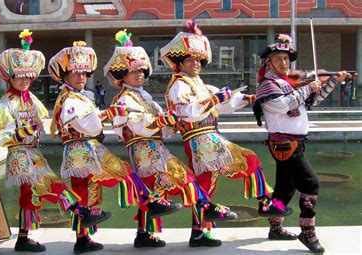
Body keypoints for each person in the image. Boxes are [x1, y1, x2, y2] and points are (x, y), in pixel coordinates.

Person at [104, 29, 237, 248]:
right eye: (132, 71)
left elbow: (162, 128)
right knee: (184, 178)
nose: (139, 75)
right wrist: (163, 121)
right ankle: (205, 207)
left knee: (156, 191)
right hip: (143, 149)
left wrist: (170, 122)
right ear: (123, 76)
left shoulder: (144, 97)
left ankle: (144, 234)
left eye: (142, 71)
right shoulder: (123, 99)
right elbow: (140, 125)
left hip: (155, 147)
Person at [48, 41, 181, 253]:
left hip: (80, 150)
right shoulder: (70, 99)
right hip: (84, 148)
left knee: (86, 191)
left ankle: (82, 240)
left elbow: (91, 123)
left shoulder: (75, 96)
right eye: (76, 73)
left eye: (84, 73)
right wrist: (108, 113)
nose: (81, 77)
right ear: (65, 76)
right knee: (125, 173)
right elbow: (90, 125)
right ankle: (150, 202)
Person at [0, 30, 111, 252]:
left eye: (28, 76)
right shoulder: (5, 105)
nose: (25, 80)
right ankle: (80, 212)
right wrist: (18, 134)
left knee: (30, 196)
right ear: (10, 78)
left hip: (33, 153)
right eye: (20, 76)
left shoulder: (31, 99)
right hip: (19, 155)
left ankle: (23, 238)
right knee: (52, 186)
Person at [160, 21, 291, 223]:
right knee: (249, 159)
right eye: (189, 60)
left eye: (198, 60)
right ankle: (265, 202)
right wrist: (215, 99)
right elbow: (188, 112)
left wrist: (244, 99)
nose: (195, 63)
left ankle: (200, 232)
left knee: (205, 186)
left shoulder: (198, 84)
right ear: (180, 62)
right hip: (201, 138)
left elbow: (222, 103)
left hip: (203, 139)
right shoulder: (179, 84)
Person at [253, 34, 349, 253]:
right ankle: (307, 232)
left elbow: (313, 100)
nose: (284, 63)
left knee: (285, 187)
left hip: (293, 143)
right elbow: (284, 104)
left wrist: (332, 81)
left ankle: (275, 228)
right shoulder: (268, 86)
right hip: (284, 144)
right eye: (278, 59)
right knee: (311, 183)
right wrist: (308, 87)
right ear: (269, 62)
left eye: (287, 59)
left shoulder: (288, 84)